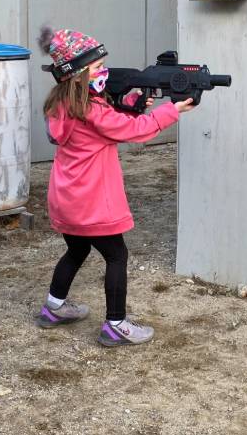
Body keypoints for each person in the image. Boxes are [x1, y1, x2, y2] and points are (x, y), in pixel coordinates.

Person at [36, 27, 197, 347]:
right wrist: (171, 111)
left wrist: (134, 100)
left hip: (67, 199)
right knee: (117, 257)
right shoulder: (93, 111)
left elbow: (113, 118)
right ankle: (116, 324)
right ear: (79, 75)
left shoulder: (66, 107)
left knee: (77, 249)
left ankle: (53, 307)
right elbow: (134, 130)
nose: (104, 72)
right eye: (97, 68)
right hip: (92, 203)